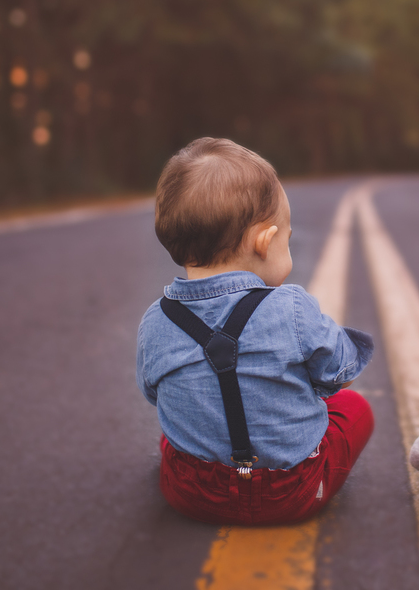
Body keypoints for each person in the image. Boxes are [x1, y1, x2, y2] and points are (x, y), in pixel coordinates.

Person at [137, 137, 375, 525]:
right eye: (286, 239)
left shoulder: (155, 320)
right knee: (354, 408)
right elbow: (339, 372)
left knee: (174, 429)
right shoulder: (292, 307)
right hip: (290, 492)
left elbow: (153, 394)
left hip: (189, 492)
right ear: (264, 242)